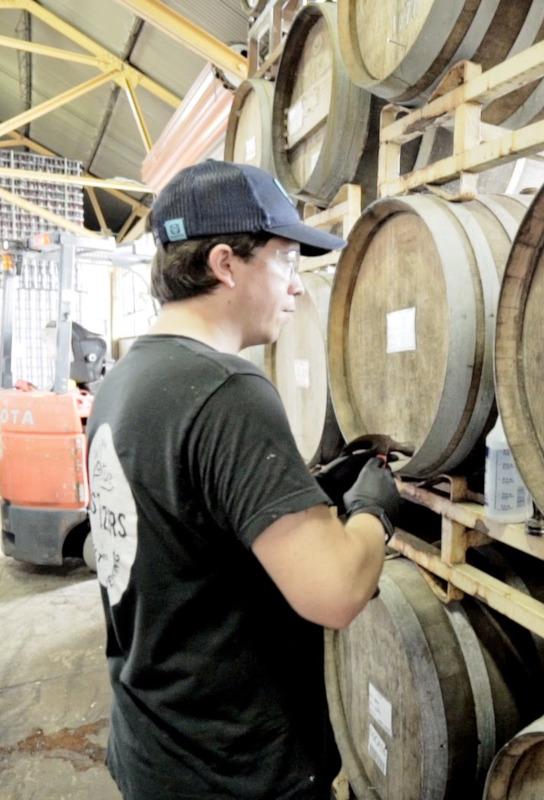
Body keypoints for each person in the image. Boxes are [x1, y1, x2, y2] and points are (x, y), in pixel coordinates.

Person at [85, 160, 399, 800]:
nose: (298, 288)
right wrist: (372, 510)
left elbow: (185, 532)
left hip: (153, 744)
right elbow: (337, 592)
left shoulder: (122, 382)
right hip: (233, 769)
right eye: (285, 260)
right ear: (226, 264)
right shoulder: (228, 390)